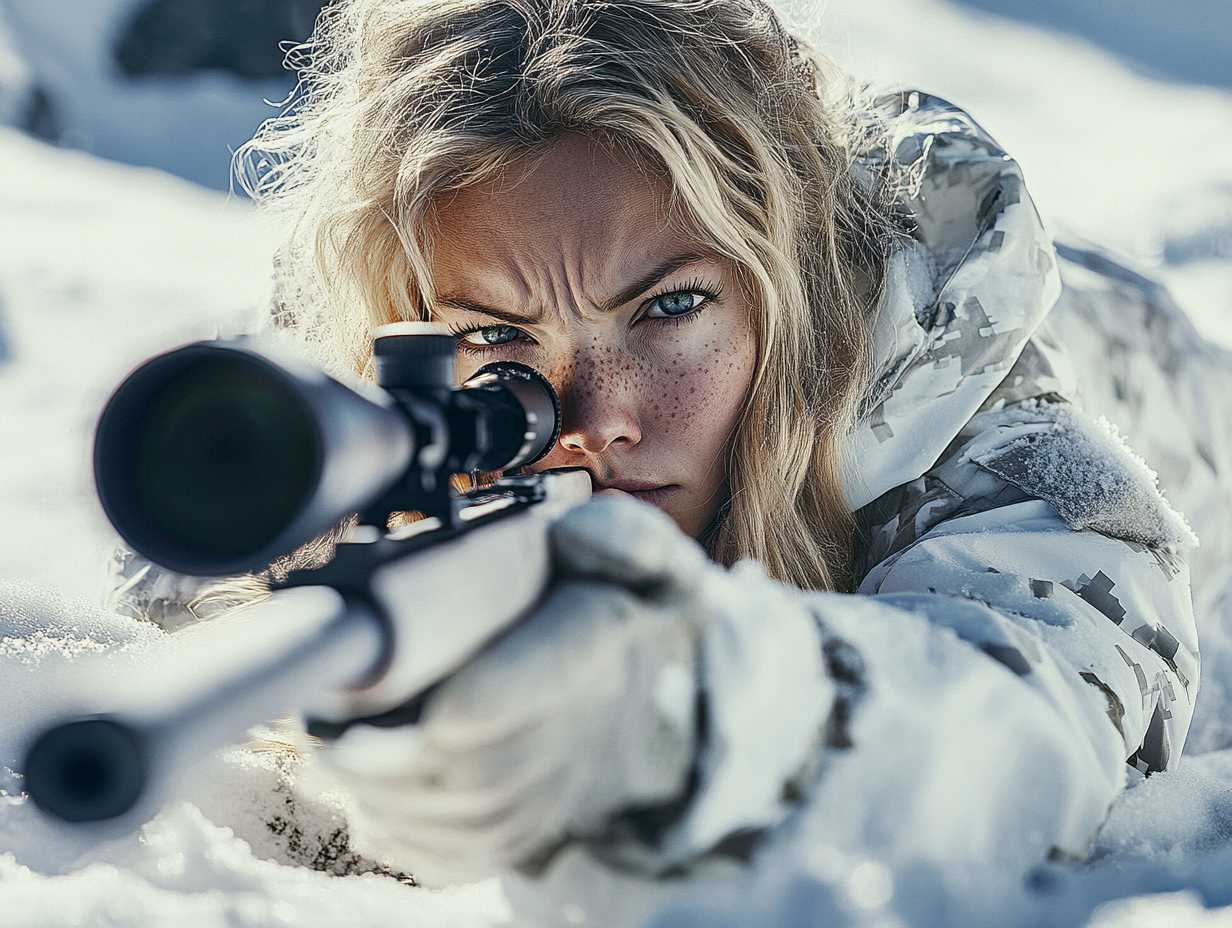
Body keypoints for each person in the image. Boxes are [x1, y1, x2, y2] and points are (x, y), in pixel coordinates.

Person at [188, 0, 1232, 921]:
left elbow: (1025, 729)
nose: (596, 421)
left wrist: (689, 715)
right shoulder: (369, 399)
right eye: (495, 339)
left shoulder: (971, 417)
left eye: (668, 307)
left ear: (785, 297)